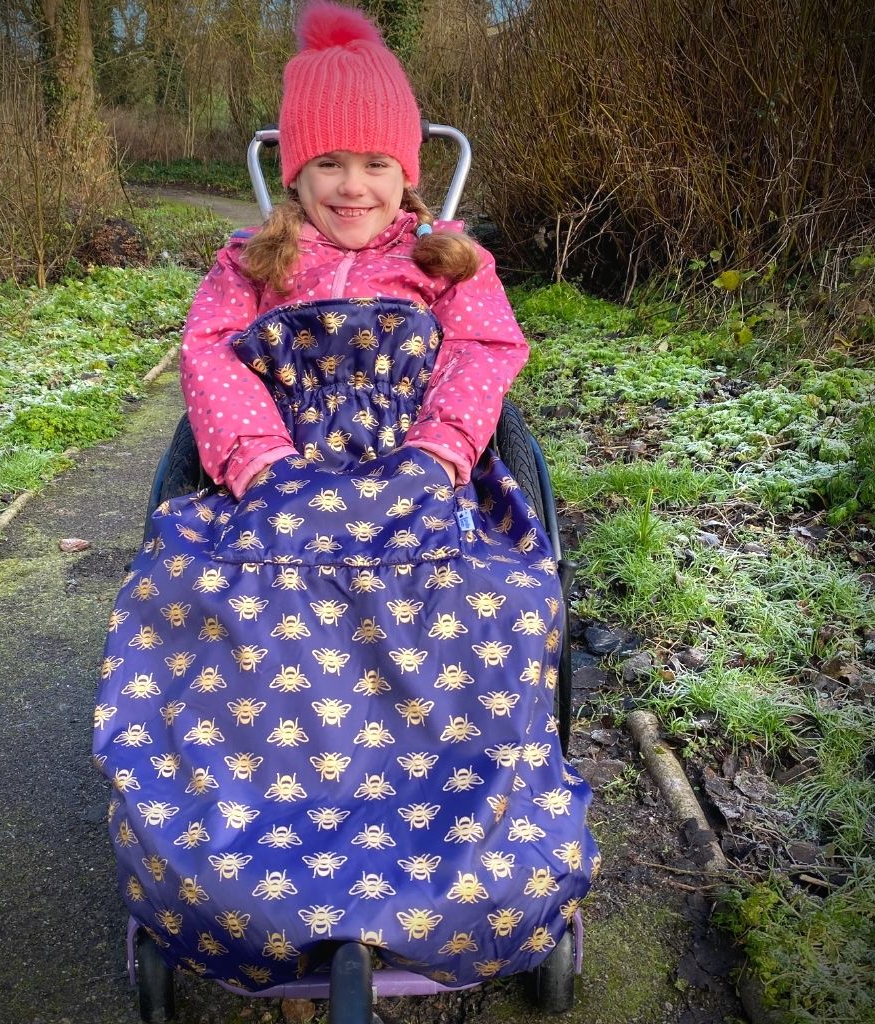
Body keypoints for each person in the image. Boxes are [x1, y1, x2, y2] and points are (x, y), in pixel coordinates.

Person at [93, 0, 597, 993]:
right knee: (189, 599)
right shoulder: (251, 263)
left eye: (375, 163)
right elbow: (207, 357)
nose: (353, 185)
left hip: (423, 479)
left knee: (507, 597)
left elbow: (489, 351)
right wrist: (257, 463)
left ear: (407, 169)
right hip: (277, 480)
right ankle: (237, 837)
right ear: (298, 170)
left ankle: (468, 832)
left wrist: (441, 454)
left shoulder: (446, 261)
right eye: (330, 165)